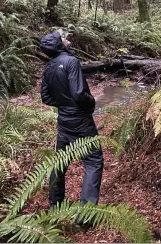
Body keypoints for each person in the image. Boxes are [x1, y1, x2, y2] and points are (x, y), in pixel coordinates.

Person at [40, 31, 103, 207]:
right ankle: (85, 214)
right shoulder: (72, 62)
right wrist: (91, 101)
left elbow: (45, 97)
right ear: (59, 45)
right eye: (63, 38)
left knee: (60, 161)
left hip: (64, 121)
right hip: (80, 120)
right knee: (93, 160)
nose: (67, 39)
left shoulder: (48, 67)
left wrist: (63, 104)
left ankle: (55, 204)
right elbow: (78, 94)